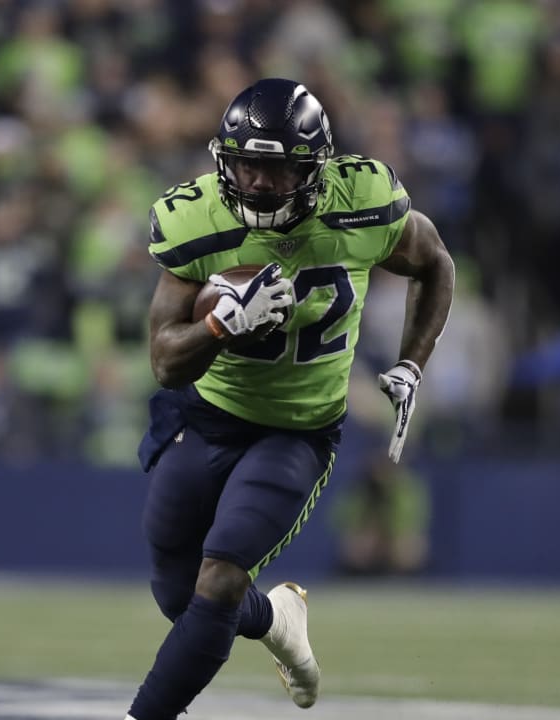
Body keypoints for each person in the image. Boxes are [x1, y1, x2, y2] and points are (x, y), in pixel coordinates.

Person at [127, 78, 454, 720]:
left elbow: (434, 262)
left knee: (221, 578)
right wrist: (219, 326)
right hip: (206, 416)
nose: (256, 183)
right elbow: (164, 362)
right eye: (245, 165)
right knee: (178, 594)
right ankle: (277, 617)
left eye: (276, 169)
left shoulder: (361, 202)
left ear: (315, 167)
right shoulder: (196, 218)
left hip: (297, 430)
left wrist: (412, 362)